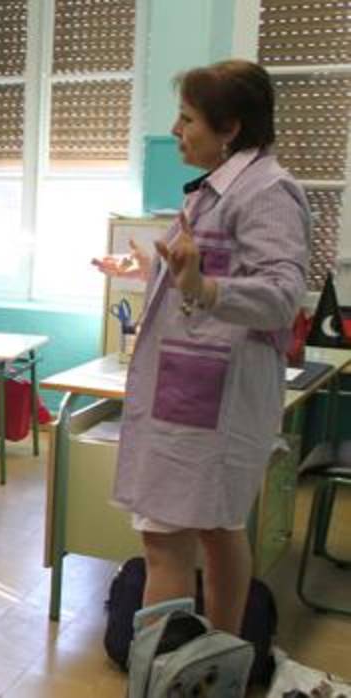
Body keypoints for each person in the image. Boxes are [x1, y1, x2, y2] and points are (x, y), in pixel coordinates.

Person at [95, 59, 308, 634]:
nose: (175, 130)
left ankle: (165, 675)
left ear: (230, 127)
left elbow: (283, 296)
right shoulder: (217, 190)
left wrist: (203, 287)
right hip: (198, 397)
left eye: (187, 118)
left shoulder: (265, 192)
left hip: (212, 403)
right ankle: (217, 664)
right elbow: (199, 272)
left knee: (165, 541)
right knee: (217, 528)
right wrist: (149, 270)